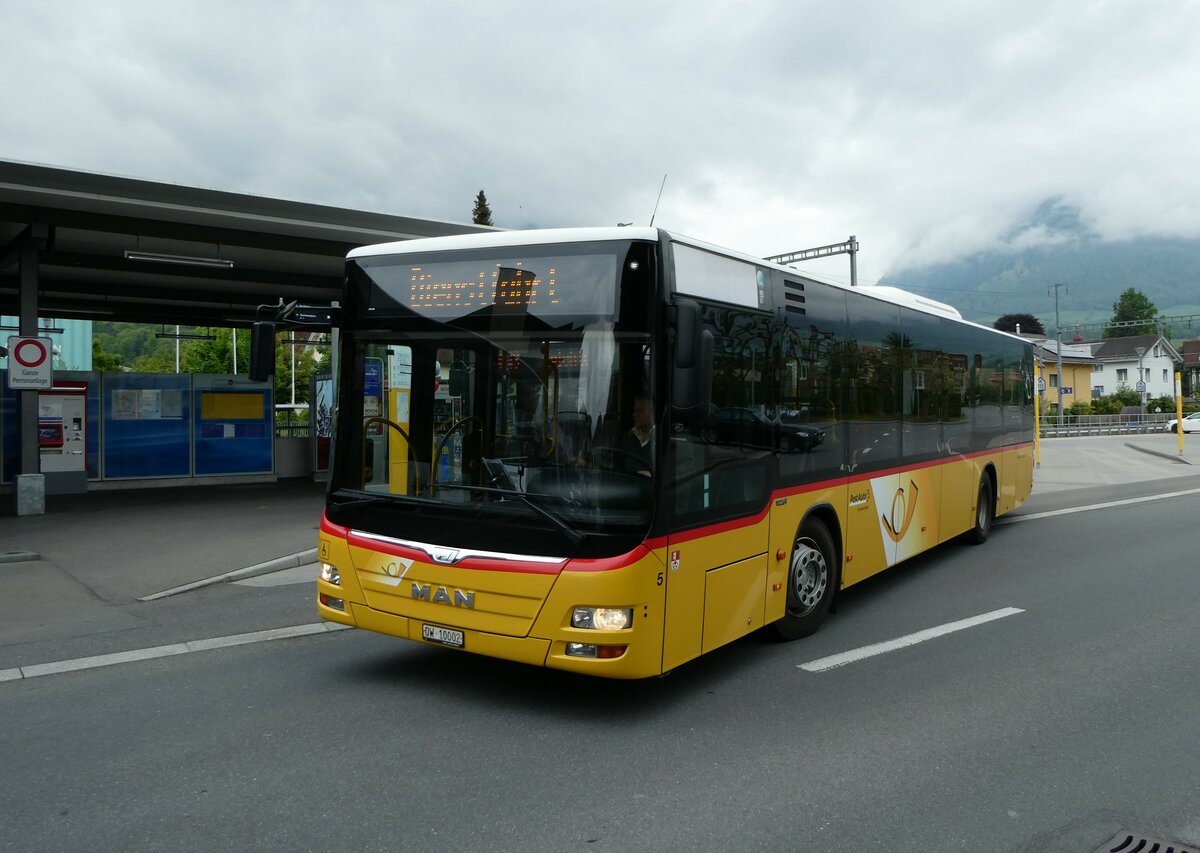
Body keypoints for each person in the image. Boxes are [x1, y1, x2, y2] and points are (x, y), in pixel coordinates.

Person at [622, 391, 655, 476]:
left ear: (653, 413)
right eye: (634, 411)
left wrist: (654, 475)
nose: (634, 415)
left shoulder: (664, 438)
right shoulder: (627, 437)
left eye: (640, 411)